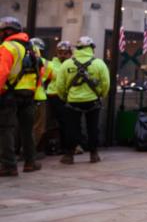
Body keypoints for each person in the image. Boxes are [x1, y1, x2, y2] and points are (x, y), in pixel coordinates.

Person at [54, 36, 109, 165]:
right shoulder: (99, 63)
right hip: (93, 101)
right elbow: (106, 83)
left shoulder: (67, 64)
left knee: (71, 128)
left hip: (73, 101)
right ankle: (94, 154)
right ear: (91, 48)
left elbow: (60, 85)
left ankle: (69, 155)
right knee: (93, 128)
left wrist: (64, 97)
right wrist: (101, 94)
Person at [0, 17, 41, 176]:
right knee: (27, 130)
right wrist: (34, 91)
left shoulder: (7, 47)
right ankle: (30, 162)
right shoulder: (33, 48)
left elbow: (2, 73)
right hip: (29, 95)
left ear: (8, 32)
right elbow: (40, 72)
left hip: (9, 95)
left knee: (6, 130)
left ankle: (9, 166)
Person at [44, 41, 72, 155]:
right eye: (60, 52)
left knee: (66, 123)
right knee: (54, 123)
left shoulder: (72, 64)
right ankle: (54, 147)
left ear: (70, 53)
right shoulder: (51, 64)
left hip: (67, 96)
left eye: (65, 53)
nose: (62, 55)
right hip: (53, 96)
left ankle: (66, 147)